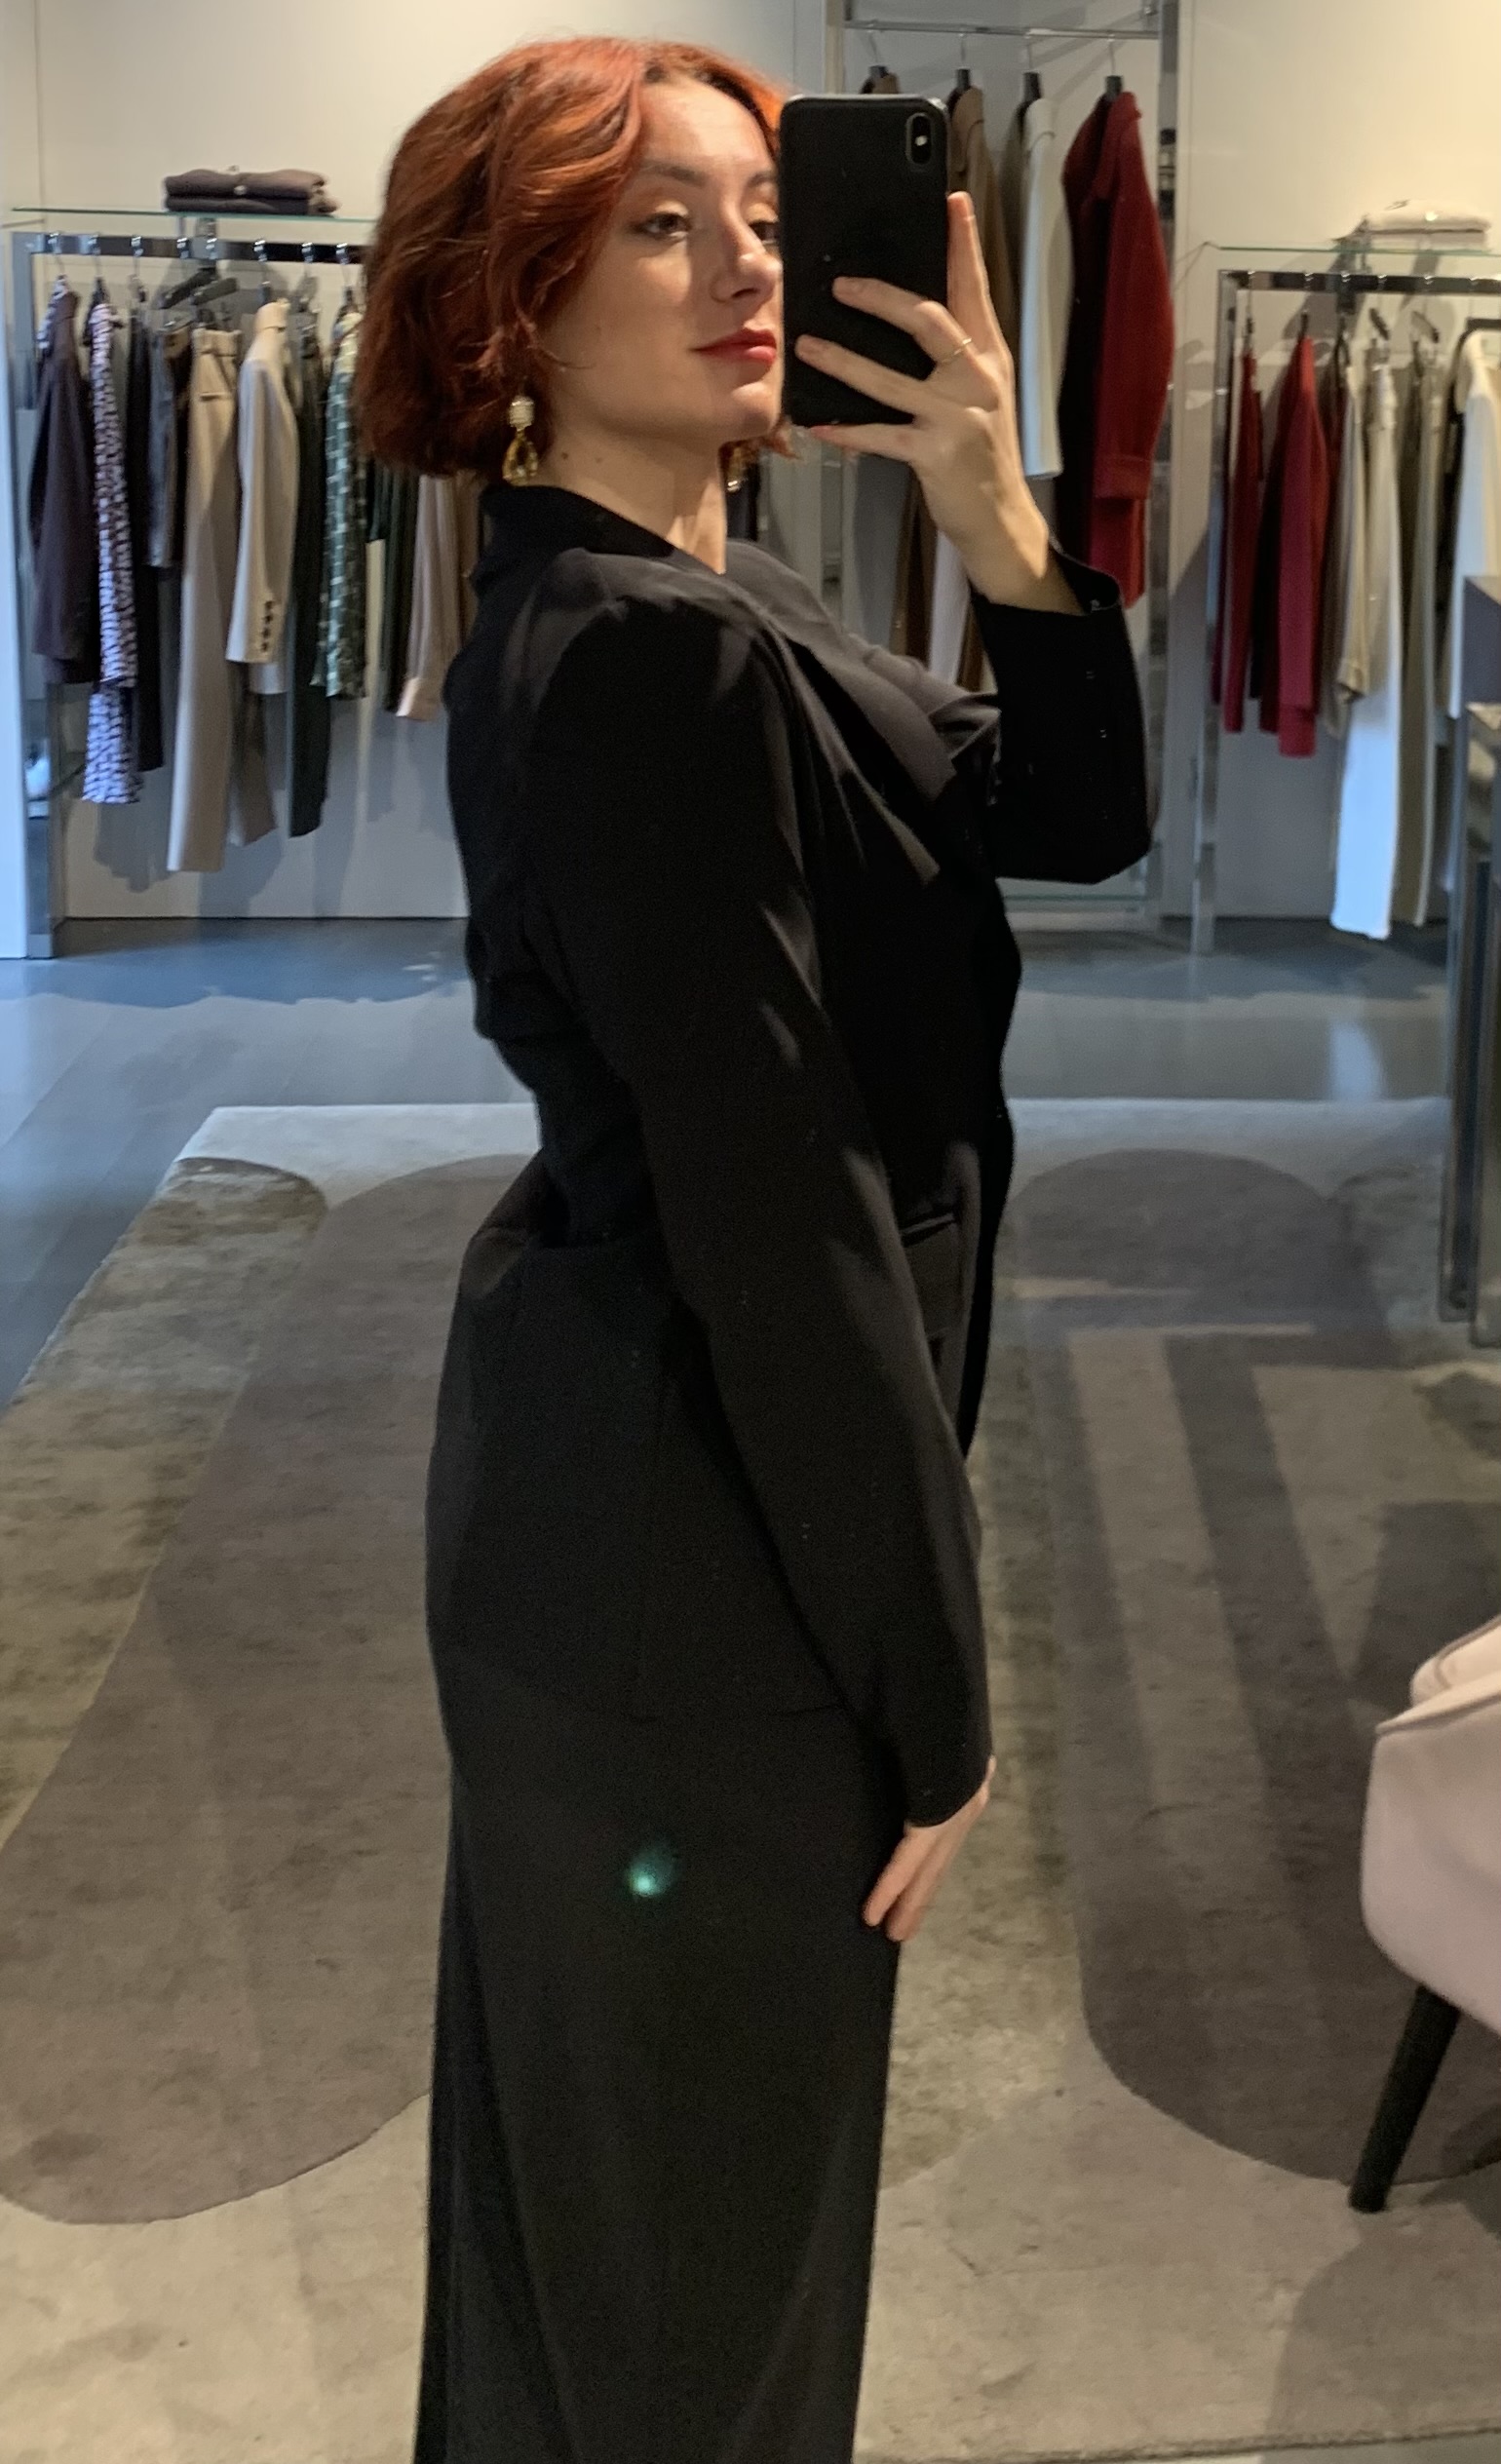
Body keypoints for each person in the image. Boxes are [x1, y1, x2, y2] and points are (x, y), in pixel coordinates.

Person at [356, 33, 1149, 2463]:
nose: (744, 270)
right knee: (702, 2295)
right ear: (510, 304)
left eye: (761, 220)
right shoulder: (654, 659)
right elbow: (780, 1227)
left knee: (610, 2244)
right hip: (698, 1579)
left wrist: (995, 509)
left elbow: (1066, 818)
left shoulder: (696, 587)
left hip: (634, 1519)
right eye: (656, 225)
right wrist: (940, 1692)